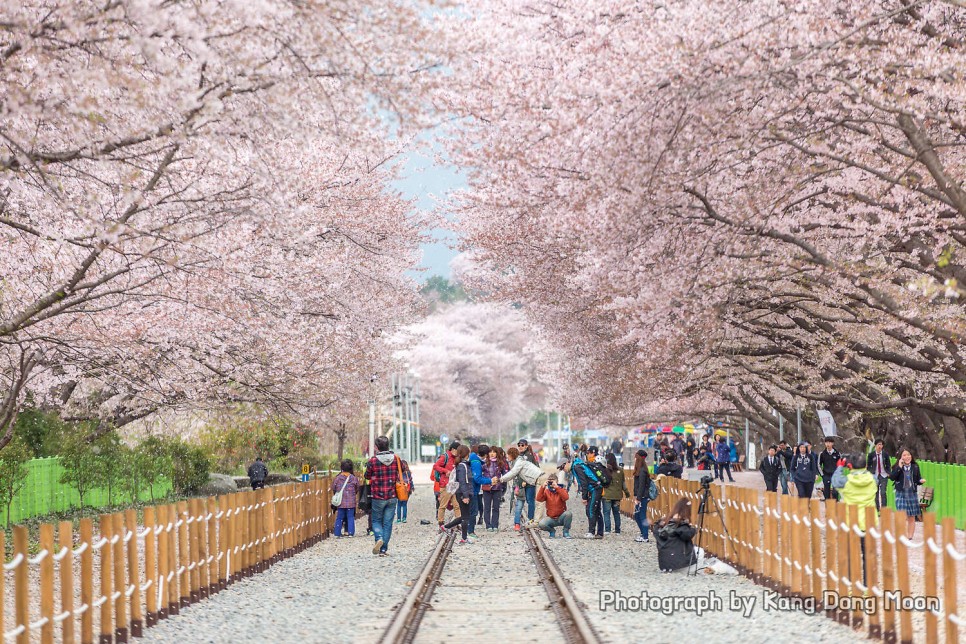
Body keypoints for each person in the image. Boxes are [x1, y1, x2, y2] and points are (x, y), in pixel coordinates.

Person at [832, 452, 878, 585]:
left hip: (851, 522)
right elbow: (871, 476)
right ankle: (868, 585)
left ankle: (852, 584)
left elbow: (835, 481)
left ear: (850, 466)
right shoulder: (873, 479)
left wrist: (840, 467)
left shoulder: (845, 482)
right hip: (869, 523)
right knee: (868, 555)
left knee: (851, 555)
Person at [363, 435, 400, 556]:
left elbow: (367, 476)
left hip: (378, 496)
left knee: (376, 520)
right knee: (388, 523)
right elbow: (402, 470)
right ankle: (383, 549)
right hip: (392, 495)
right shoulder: (396, 459)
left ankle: (378, 537)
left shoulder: (373, 461)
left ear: (377, 447)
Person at [496, 446, 545, 530]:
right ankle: (536, 521)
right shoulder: (518, 461)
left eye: (508, 455)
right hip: (538, 479)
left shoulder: (519, 462)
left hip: (540, 479)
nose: (507, 457)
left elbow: (513, 473)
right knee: (538, 502)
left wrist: (500, 479)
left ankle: (536, 522)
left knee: (539, 502)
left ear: (512, 455)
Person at [572, 445, 608, 539]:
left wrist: (584, 495)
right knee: (597, 510)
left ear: (593, 453)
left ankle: (593, 532)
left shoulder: (596, 461)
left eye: (589, 453)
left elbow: (586, 480)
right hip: (595, 488)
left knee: (592, 510)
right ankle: (599, 532)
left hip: (596, 488)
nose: (587, 455)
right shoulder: (591, 462)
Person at [890, 449, 925, 539]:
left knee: (911, 516)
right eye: (904, 455)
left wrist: (921, 481)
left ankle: (909, 537)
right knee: (901, 515)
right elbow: (892, 478)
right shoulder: (897, 466)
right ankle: (901, 535)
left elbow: (917, 479)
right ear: (901, 457)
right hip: (900, 492)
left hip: (911, 493)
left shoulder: (915, 467)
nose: (907, 457)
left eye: (908, 455)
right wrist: (899, 467)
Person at [654, 498, 697, 572]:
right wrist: (693, 528)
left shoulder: (664, 523)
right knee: (700, 552)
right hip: (679, 565)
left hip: (664, 565)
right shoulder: (681, 525)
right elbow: (687, 535)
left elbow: (655, 529)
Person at [443, 446, 474, 544]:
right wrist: (465, 496)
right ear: (466, 454)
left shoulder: (462, 465)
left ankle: (446, 527)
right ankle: (464, 538)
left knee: (465, 516)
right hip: (462, 493)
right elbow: (463, 482)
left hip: (463, 493)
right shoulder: (462, 466)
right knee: (465, 517)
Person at [433, 442, 461, 530]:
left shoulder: (456, 458)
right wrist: (445, 471)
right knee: (443, 505)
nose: (459, 453)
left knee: (457, 505)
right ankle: (441, 523)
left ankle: (458, 522)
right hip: (445, 484)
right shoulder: (445, 457)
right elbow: (435, 466)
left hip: (454, 485)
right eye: (458, 451)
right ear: (453, 449)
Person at [602, 453, 630, 533]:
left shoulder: (604, 470)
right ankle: (617, 530)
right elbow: (623, 484)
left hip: (607, 496)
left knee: (606, 513)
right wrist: (627, 493)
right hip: (617, 496)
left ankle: (607, 529)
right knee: (616, 513)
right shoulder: (620, 470)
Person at [481, 447, 507, 531]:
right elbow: (479, 474)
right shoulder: (484, 463)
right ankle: (488, 525)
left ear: (497, 453)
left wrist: (501, 481)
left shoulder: (500, 463)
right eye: (490, 452)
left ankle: (495, 524)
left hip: (497, 488)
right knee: (487, 507)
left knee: (496, 507)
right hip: (487, 488)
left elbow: (505, 474)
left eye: (494, 452)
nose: (492, 454)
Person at [331, 460, 359, 537]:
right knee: (350, 517)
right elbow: (357, 488)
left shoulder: (337, 478)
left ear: (342, 468)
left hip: (341, 502)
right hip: (351, 502)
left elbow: (333, 487)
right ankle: (350, 533)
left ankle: (337, 533)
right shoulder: (353, 478)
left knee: (339, 517)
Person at [632, 453, 655, 542]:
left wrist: (638, 498)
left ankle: (645, 536)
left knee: (641, 516)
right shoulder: (641, 470)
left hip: (643, 497)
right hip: (641, 496)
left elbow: (641, 486)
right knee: (637, 515)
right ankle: (643, 533)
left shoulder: (642, 471)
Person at [866, 439, 892, 511]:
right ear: (875, 445)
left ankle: (884, 509)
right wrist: (870, 473)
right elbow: (868, 466)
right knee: (875, 493)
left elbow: (888, 465)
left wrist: (888, 473)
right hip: (875, 475)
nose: (880, 446)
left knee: (883, 492)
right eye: (879, 444)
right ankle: (877, 509)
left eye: (881, 444)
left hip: (883, 475)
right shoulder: (871, 455)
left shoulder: (885, 454)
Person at [469, 444, 489, 536]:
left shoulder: (472, 458)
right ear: (485, 455)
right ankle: (470, 531)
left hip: (470, 488)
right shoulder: (476, 463)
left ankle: (468, 530)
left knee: (470, 510)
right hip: (472, 489)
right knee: (473, 511)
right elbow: (477, 478)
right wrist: (489, 481)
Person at [818, 437, 840, 502]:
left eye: (829, 442)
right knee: (826, 492)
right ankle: (828, 507)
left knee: (835, 492)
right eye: (826, 442)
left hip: (835, 475)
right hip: (826, 475)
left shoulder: (837, 453)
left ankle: (836, 504)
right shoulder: (822, 454)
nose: (828, 444)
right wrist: (822, 475)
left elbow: (840, 464)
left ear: (832, 443)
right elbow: (819, 464)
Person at [395, 458, 414, 523]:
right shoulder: (408, 473)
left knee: (399, 505)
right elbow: (410, 481)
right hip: (406, 490)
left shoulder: (397, 473)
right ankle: (404, 518)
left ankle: (398, 519)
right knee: (405, 505)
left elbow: (396, 481)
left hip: (399, 490)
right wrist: (412, 488)